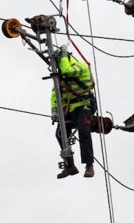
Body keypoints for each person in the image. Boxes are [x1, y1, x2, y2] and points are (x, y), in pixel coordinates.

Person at [51, 44, 96, 179]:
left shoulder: (80, 66)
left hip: (84, 105)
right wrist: (54, 110)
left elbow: (67, 71)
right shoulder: (60, 74)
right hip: (70, 108)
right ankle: (70, 165)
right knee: (60, 133)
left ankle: (89, 165)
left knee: (84, 131)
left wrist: (63, 54)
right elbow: (55, 93)